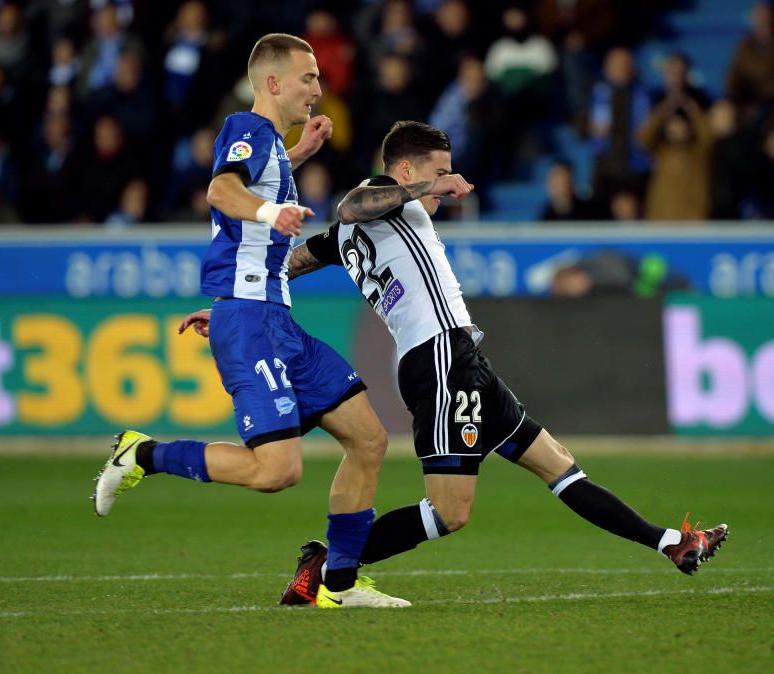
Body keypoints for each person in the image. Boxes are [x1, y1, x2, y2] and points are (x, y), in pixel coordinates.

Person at [181, 121, 728, 607]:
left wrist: (236, 303)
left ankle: (671, 544)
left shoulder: (352, 233)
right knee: (450, 512)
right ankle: (328, 564)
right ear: (403, 170)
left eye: (448, 171)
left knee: (559, 465)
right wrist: (426, 187)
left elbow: (300, 257)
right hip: (439, 358)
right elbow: (353, 206)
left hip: (463, 358)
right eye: (438, 171)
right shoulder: (380, 197)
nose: (449, 181)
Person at [92, 33, 407, 609]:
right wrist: (271, 213)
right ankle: (141, 454)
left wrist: (300, 157)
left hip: (273, 318)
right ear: (272, 83)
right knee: (275, 471)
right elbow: (221, 189)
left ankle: (337, 584)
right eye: (308, 77)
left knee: (369, 439)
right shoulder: (246, 126)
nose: (318, 88)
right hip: (252, 322)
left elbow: (252, 193)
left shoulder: (268, 148)